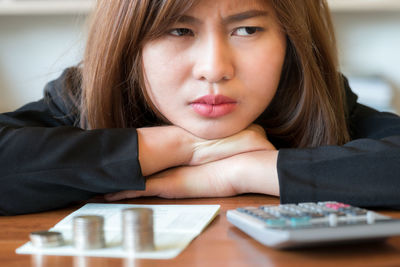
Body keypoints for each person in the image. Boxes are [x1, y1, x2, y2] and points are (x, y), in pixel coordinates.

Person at [0, 0, 399, 216]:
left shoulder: (305, 97)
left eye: (248, 29)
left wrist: (241, 172)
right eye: (179, 30)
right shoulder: (84, 96)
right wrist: (174, 147)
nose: (214, 69)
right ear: (128, 45)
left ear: (290, 44)